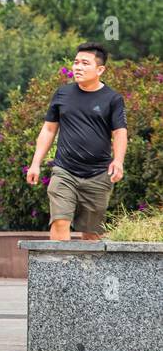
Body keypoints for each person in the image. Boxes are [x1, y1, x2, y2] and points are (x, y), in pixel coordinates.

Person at [25, 42, 127, 240]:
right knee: (60, 220)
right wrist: (35, 163)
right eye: (76, 62)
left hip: (98, 174)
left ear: (100, 69)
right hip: (64, 171)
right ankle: (59, 269)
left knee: (92, 233)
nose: (78, 67)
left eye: (85, 63)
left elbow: (120, 133)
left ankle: (88, 272)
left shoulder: (112, 99)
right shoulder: (63, 94)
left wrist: (119, 160)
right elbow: (48, 129)